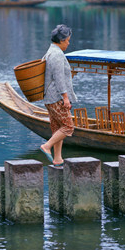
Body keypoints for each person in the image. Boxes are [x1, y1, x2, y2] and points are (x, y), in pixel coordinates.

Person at [40, 25, 77, 167]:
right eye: (67, 40)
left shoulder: (51, 51)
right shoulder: (56, 54)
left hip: (50, 97)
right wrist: (66, 98)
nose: (68, 43)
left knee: (57, 128)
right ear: (61, 40)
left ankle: (57, 158)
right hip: (56, 97)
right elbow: (59, 78)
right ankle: (46, 146)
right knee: (68, 127)